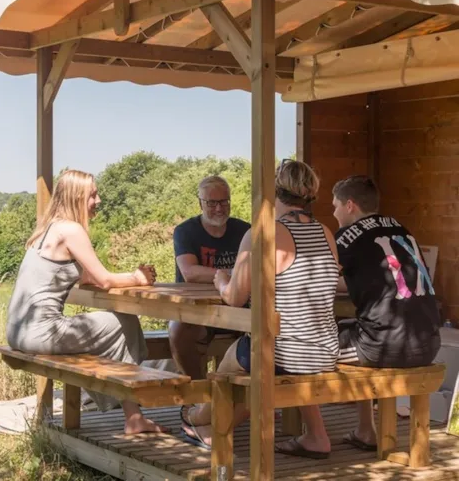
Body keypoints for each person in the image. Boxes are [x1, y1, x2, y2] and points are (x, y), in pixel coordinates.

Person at [181, 160, 340, 460]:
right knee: (254, 358)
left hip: (285, 352)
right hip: (324, 350)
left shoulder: (263, 233)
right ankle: (206, 421)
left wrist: (220, 280)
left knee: (237, 359)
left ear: (274, 191)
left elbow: (234, 299)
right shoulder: (326, 233)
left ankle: (202, 419)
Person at [6, 169, 166, 435]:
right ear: (77, 197)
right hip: (41, 332)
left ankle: (133, 414)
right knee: (125, 320)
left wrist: (126, 278)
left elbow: (88, 277)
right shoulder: (71, 230)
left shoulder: (47, 230)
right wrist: (137, 277)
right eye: (93, 195)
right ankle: (133, 411)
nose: (99, 200)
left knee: (115, 326)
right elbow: (103, 280)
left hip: (18, 332)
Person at [331, 175, 441, 451]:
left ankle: (309, 434)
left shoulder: (348, 236)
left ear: (350, 206)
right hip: (429, 341)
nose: (333, 213)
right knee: (353, 326)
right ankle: (365, 430)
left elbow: (319, 277)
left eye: (335, 206)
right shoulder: (400, 229)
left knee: (309, 346)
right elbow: (379, 279)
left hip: (383, 346)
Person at [170, 176, 250, 379]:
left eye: (224, 201)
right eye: (211, 203)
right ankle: (197, 394)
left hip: (236, 306)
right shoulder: (185, 231)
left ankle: (245, 401)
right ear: (200, 203)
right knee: (179, 330)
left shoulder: (245, 230)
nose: (218, 208)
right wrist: (234, 273)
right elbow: (190, 273)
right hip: (197, 311)